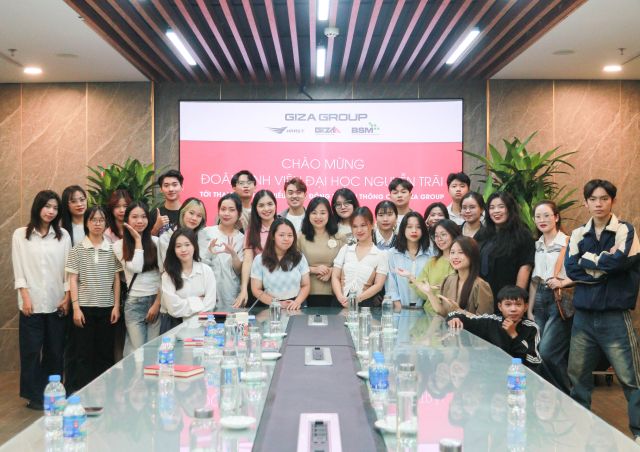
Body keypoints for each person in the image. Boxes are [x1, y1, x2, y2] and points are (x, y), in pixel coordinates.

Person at [564, 179, 640, 441]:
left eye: (604, 198)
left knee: (631, 378)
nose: (599, 204)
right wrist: (604, 263)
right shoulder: (578, 234)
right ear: (585, 203)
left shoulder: (625, 230)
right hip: (583, 318)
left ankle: (638, 434)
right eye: (593, 199)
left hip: (614, 316)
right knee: (577, 377)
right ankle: (580, 431)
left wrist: (588, 262)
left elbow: (620, 263)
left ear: (613, 201)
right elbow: (571, 269)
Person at [12, 190, 71, 409]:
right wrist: (25, 297)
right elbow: (19, 269)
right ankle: (34, 396)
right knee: (30, 351)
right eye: (47, 206)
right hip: (31, 303)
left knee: (55, 351)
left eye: (55, 208)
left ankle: (52, 393)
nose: (51, 211)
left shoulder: (63, 236)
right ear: (38, 207)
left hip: (57, 303)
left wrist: (67, 297)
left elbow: (68, 270)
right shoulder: (20, 235)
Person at [66, 206, 123, 389]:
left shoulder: (113, 249)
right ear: (86, 223)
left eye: (101, 220)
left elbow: (116, 279)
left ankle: (105, 393)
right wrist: (76, 308)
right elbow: (72, 280)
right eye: (93, 220)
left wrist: (116, 306)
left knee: (105, 354)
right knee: (83, 354)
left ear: (106, 223)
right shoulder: (77, 250)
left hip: (107, 309)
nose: (97, 223)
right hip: (84, 309)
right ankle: (84, 393)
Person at [528, 200, 573, 394]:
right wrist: (529, 309)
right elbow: (534, 281)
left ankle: (566, 395)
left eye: (547, 215)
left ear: (556, 217)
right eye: (538, 216)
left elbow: (581, 273)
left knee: (548, 352)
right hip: (539, 298)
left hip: (559, 299)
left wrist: (563, 282)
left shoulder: (568, 242)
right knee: (539, 352)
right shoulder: (537, 245)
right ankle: (550, 397)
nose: (542, 220)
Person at [447, 286, 541, 370]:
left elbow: (535, 361)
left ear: (525, 307)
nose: (513, 309)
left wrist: (513, 335)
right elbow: (462, 317)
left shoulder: (532, 328)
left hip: (519, 375)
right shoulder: (492, 321)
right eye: (508, 304)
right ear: (500, 307)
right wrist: (454, 318)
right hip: (494, 371)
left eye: (518, 304)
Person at [112, 202, 161, 356]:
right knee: (138, 352)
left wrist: (157, 304)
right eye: (134, 217)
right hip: (134, 303)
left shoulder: (157, 242)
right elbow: (137, 267)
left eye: (143, 217)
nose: (140, 221)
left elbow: (164, 276)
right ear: (127, 219)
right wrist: (138, 241)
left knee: (153, 350)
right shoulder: (118, 245)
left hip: (156, 301)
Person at [480, 191, 535, 312]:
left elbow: (525, 267)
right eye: (492, 207)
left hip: (508, 298)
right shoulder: (484, 233)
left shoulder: (522, 234)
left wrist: (516, 300)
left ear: (510, 209)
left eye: (501, 206)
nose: (496, 211)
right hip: (485, 296)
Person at [414, 236, 493, 316]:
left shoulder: (481, 285)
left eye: (461, 252)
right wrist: (429, 293)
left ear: (472, 255)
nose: (455, 257)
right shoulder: (449, 280)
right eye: (452, 252)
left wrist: (459, 310)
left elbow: (486, 320)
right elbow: (443, 312)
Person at [332, 207, 388, 307]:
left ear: (372, 225)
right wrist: (340, 297)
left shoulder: (380, 255)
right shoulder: (345, 249)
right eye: (355, 226)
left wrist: (356, 299)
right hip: (339, 303)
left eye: (363, 225)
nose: (359, 230)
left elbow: (378, 285)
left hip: (365, 305)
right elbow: (335, 276)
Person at [161, 228, 216, 330]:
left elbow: (209, 304)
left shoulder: (206, 270)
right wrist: (198, 301)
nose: (183, 249)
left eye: (187, 244)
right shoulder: (168, 275)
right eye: (178, 246)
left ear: (194, 246)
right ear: (173, 249)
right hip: (175, 327)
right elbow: (173, 308)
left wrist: (184, 304)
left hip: (202, 325)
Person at [251, 218, 310, 310]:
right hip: (272, 306)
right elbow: (256, 289)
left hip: (296, 305)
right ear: (272, 236)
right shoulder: (259, 259)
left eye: (290, 235)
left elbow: (306, 285)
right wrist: (278, 304)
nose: (286, 239)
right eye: (281, 235)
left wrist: (297, 302)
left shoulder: (299, 257)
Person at [298, 197, 345, 307]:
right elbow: (293, 266)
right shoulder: (300, 237)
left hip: (336, 293)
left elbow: (349, 264)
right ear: (308, 215)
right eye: (314, 213)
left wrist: (333, 270)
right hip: (306, 293)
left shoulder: (340, 237)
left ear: (329, 215)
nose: (318, 217)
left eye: (323, 213)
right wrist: (314, 269)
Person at [201, 193, 244, 310]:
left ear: (239, 213)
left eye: (231, 210)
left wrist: (233, 254)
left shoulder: (242, 238)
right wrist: (209, 252)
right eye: (223, 209)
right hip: (207, 290)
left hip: (231, 292)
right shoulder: (206, 232)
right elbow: (199, 264)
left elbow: (239, 270)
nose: (226, 213)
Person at [235, 190, 277, 307]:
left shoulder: (283, 227)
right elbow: (248, 261)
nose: (266, 209)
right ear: (256, 209)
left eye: (270, 204)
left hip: (281, 286)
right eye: (261, 205)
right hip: (257, 287)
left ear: (275, 205)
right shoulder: (251, 231)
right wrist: (244, 289)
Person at [413, 219, 461, 314]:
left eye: (443, 234)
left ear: (454, 235)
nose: (439, 239)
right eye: (436, 236)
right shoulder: (432, 261)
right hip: (430, 314)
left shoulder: (461, 261)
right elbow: (423, 294)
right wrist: (412, 279)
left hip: (454, 316)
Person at [385, 212, 432, 309]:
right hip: (399, 308)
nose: (414, 231)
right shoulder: (392, 254)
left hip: (424, 309)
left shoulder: (430, 255)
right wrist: (399, 308)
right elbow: (391, 286)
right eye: (409, 227)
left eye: (418, 227)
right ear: (403, 229)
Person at [157, 197, 209, 270]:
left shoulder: (204, 237)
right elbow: (167, 266)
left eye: (199, 216)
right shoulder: (166, 238)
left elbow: (208, 264)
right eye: (191, 213)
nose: (194, 218)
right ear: (183, 213)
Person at [150, 170, 184, 236]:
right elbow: (147, 240)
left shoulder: (188, 213)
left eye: (174, 185)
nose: (171, 189)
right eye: (166, 185)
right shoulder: (155, 214)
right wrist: (156, 227)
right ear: (161, 189)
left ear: (181, 187)